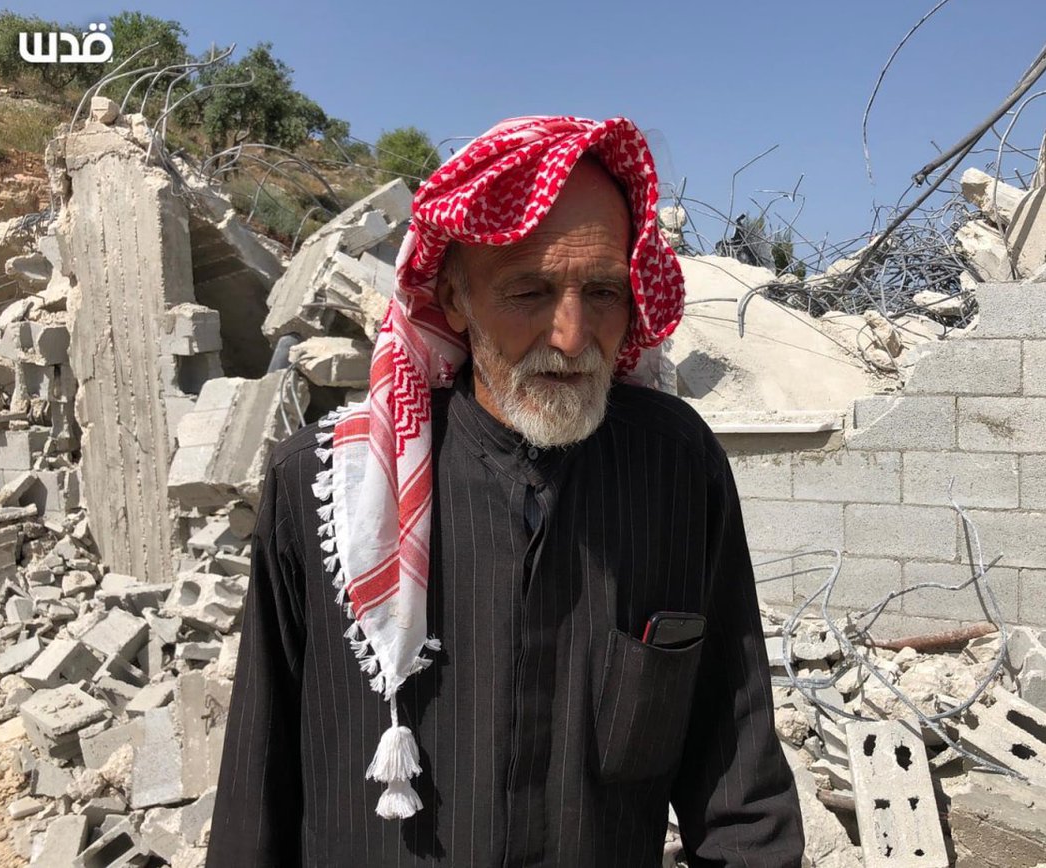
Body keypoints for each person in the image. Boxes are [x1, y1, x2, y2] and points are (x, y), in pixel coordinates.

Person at [206, 116, 804, 867]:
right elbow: (256, 794)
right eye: (528, 291)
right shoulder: (324, 487)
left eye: (603, 291)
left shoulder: (678, 472)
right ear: (453, 298)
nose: (572, 335)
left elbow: (738, 781)